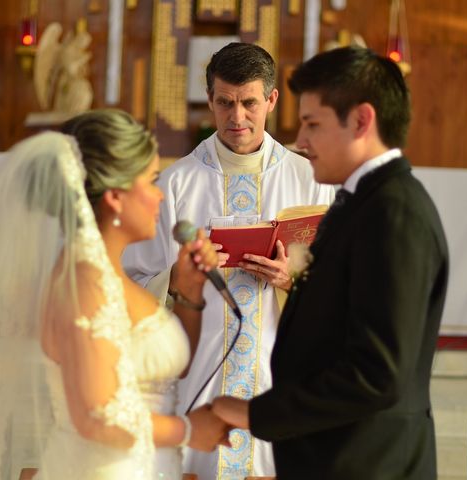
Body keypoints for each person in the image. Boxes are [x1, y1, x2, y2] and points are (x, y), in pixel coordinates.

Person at [0, 109, 230, 479]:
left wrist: (188, 291)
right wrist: (188, 431)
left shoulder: (106, 276)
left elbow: (164, 373)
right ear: (116, 198)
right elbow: (97, 417)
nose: (159, 197)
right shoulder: (81, 285)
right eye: (151, 181)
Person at [212, 46, 449, 479]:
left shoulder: (394, 213)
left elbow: (378, 375)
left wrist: (255, 415)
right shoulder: (362, 201)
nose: (300, 142)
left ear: (361, 121)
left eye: (312, 124)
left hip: (368, 462)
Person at [123, 42, 334, 479]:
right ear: (211, 100)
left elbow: (339, 283)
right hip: (200, 370)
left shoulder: (309, 180)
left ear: (272, 100)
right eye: (225, 103)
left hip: (278, 369)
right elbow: (134, 280)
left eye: (249, 103)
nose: (237, 117)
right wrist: (179, 278)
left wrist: (293, 278)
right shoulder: (177, 182)